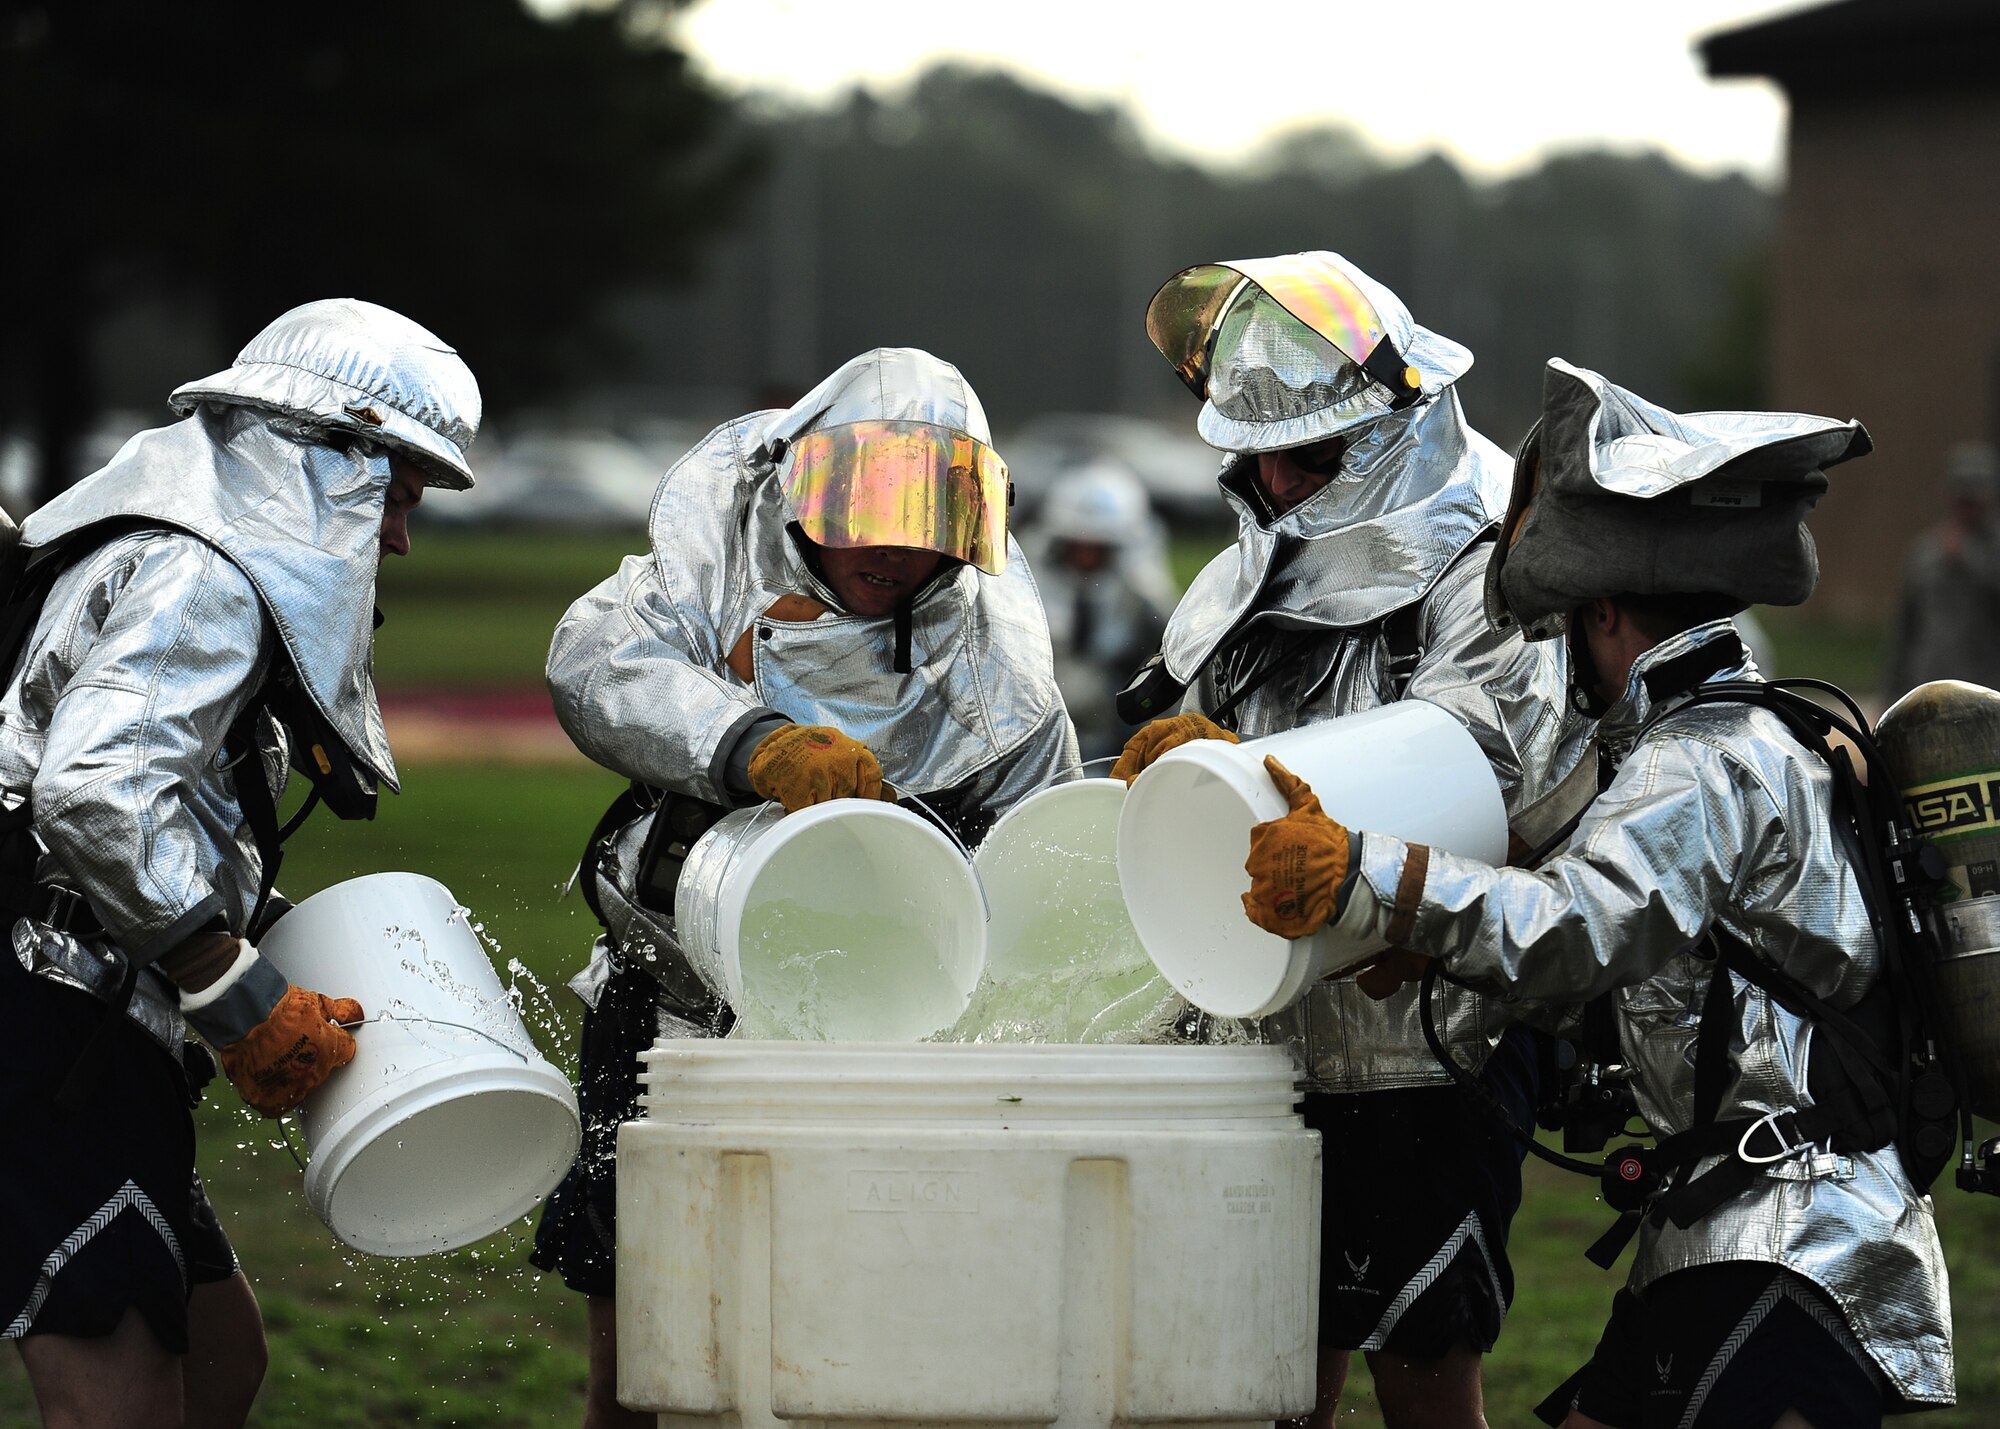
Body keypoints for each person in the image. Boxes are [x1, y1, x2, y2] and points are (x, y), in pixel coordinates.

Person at [1245, 358, 1953, 1426]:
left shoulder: (1698, 761)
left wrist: (1360, 873)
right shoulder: (1746, 736)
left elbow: (1572, 928)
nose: (1559, 650)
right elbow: (1637, 966)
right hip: (1721, 1236)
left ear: (1609, 614)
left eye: (1564, 622)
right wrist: (1430, 947)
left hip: (1784, 1245)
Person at [533, 346, 1079, 1428]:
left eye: (928, 513)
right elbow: (590, 665)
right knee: (641, 1349)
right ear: (802, 491)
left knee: (829, 1346)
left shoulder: (1004, 669)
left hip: (875, 1042)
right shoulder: (703, 567)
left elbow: (1037, 865)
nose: (893, 541)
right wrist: (750, 744)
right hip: (665, 1000)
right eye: (866, 504)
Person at [1112, 252, 1591, 1428]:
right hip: (1255, 1029)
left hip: (1427, 1037)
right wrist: (1179, 749)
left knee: (1424, 1368)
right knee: (1261, 1373)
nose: (1279, 482)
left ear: (1395, 427)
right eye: (1260, 455)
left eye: (1312, 456)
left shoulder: (1491, 558)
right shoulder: (1240, 572)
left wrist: (1376, 885)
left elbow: (1498, 774)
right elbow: (1218, 747)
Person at [0, 299, 481, 1428]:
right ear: (328, 462)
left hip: (89, 1018)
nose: (400, 536)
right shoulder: (199, 574)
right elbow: (95, 793)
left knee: (223, 1359)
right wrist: (231, 984)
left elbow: (172, 810)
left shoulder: (170, 556)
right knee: (120, 1398)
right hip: (60, 1026)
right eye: (399, 495)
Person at [1021, 459, 1175, 761]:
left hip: (1116, 729)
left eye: (1100, 547)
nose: (1087, 557)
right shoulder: (1032, 582)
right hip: (1043, 718)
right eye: (1079, 545)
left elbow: (1173, 649)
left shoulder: (1138, 590)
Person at [1881, 440, 2000, 701]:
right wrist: (1890, 696)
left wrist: (1968, 557)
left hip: (1986, 692)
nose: (1966, 507)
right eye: (1961, 498)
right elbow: (1905, 629)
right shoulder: (1926, 551)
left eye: (1973, 499)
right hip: (1927, 687)